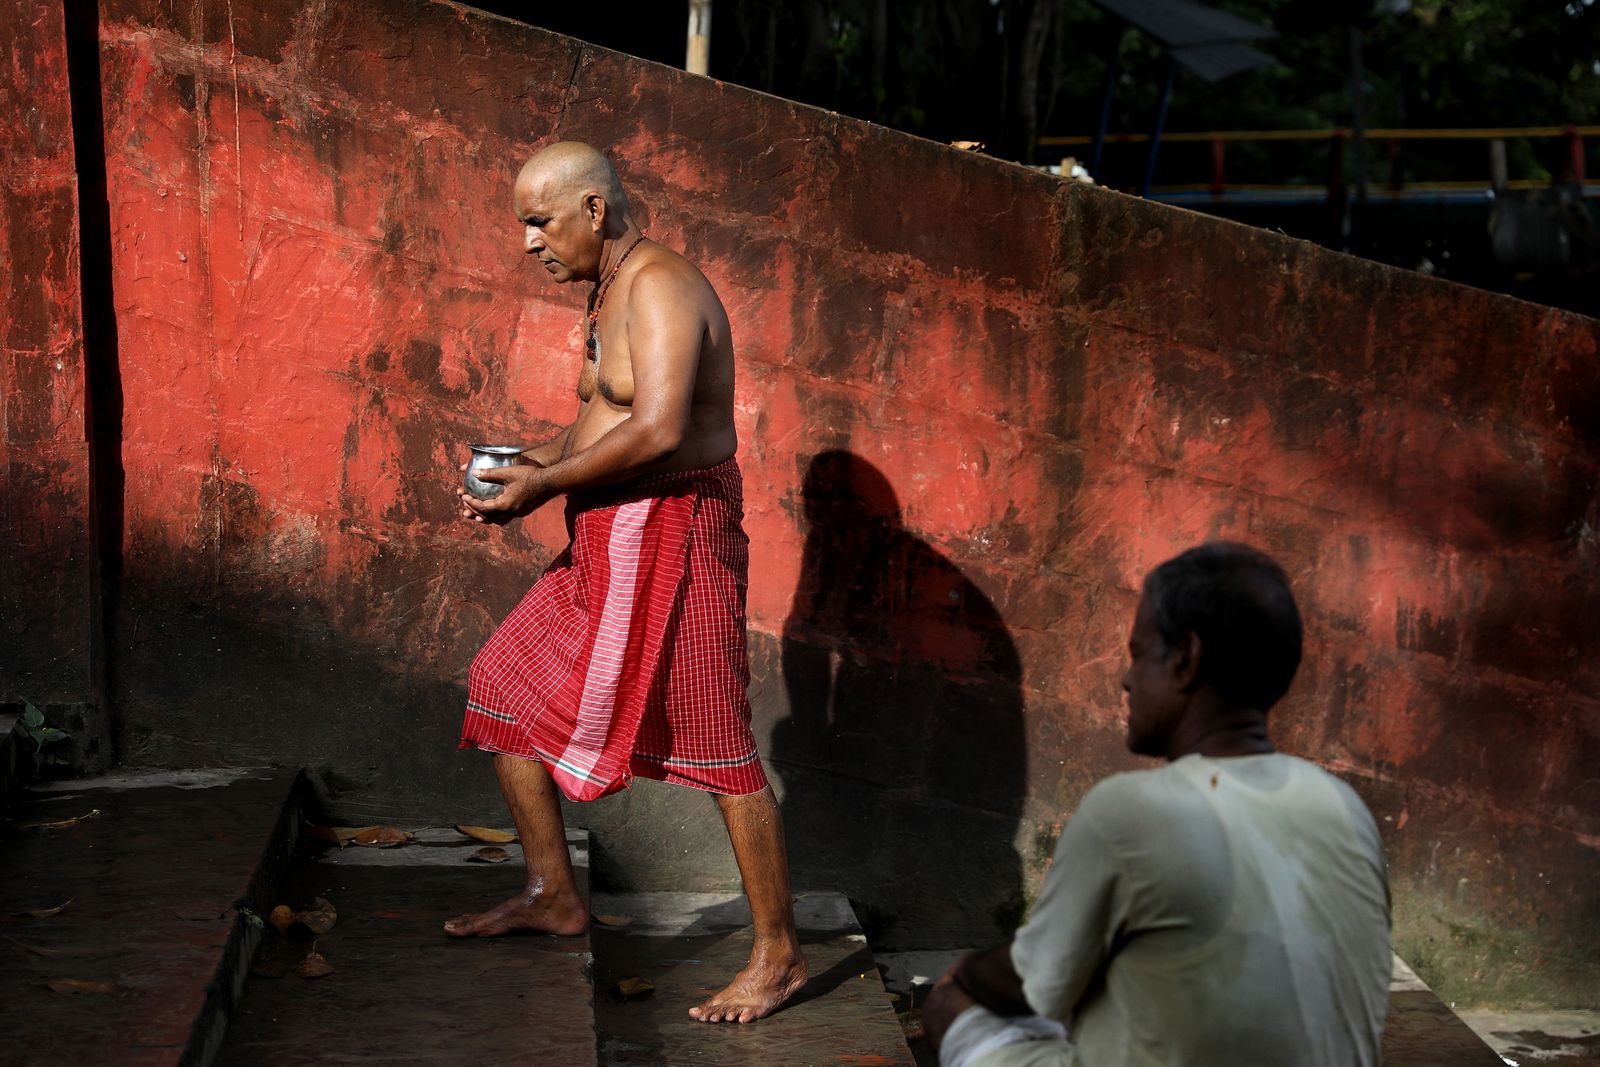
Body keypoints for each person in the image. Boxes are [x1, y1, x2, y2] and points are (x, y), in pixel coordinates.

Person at [444, 141, 808, 1025]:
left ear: (594, 212)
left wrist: (544, 484)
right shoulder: (610, 289)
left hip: (675, 531)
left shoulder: (663, 286)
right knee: (500, 683)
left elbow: (655, 430)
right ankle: (550, 893)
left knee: (719, 740)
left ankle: (779, 953)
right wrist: (525, 468)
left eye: (540, 220)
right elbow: (595, 421)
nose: (529, 241)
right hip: (609, 533)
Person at [923, 542, 1392, 1066]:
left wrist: (963, 971)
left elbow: (1033, 983)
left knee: (950, 1004)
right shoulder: (1345, 806)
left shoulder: (1131, 810)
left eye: (1138, 655)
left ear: (1186, 660)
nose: (1126, 679)